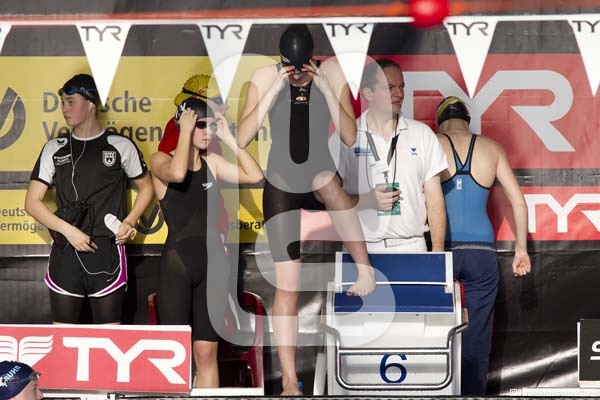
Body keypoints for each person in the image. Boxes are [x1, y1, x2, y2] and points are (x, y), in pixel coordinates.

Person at [236, 24, 375, 395]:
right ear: (282, 60)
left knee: (329, 183)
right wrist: (273, 92)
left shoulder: (330, 72)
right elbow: (242, 138)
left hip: (317, 175)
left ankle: (364, 269)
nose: (297, 75)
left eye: (302, 69)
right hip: (281, 182)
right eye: (290, 68)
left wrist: (326, 89)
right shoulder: (264, 75)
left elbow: (349, 136)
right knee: (288, 286)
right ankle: (289, 381)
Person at [150, 98, 263, 388]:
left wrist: (229, 139)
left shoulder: (212, 162)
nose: (207, 132)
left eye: (211, 126)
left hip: (213, 265)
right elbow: (178, 174)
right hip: (177, 264)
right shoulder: (159, 159)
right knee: (176, 352)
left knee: (206, 352)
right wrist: (186, 131)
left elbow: (255, 175)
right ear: (184, 124)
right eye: (201, 125)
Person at [25, 73, 154, 324]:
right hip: (66, 251)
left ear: (91, 104)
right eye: (62, 102)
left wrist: (130, 221)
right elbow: (32, 202)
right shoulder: (54, 147)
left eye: (71, 102)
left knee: (109, 336)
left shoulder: (119, 145)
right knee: (63, 336)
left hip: (106, 250)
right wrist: (69, 231)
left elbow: (147, 187)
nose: (64, 108)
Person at [435, 96, 531, 395]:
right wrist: (521, 249)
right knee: (477, 334)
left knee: (435, 329)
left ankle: (437, 391)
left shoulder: (431, 143)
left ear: (440, 123)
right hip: (481, 252)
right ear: (467, 121)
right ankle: (472, 394)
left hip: (442, 249)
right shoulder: (491, 148)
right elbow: (519, 202)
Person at [329, 58, 448, 253]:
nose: (399, 94)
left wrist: (437, 253)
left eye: (401, 87)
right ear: (368, 93)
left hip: (411, 247)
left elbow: (435, 201)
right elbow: (328, 198)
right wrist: (366, 200)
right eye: (389, 88)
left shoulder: (422, 134)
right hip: (360, 251)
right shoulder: (344, 137)